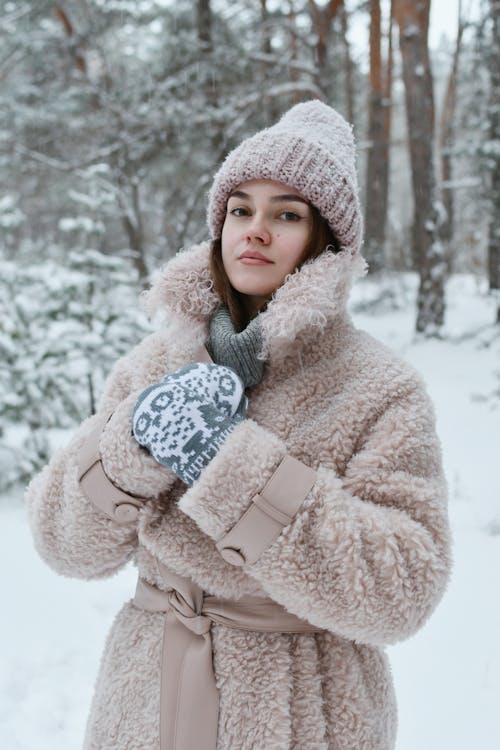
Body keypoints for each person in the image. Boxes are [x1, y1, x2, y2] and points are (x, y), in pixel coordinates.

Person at [26, 100, 452, 750]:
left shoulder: (379, 387)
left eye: (286, 214)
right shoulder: (154, 365)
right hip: (148, 700)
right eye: (240, 208)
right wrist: (124, 455)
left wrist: (234, 469)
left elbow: (402, 590)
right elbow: (61, 542)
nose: (254, 229)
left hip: (306, 707)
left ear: (326, 243)